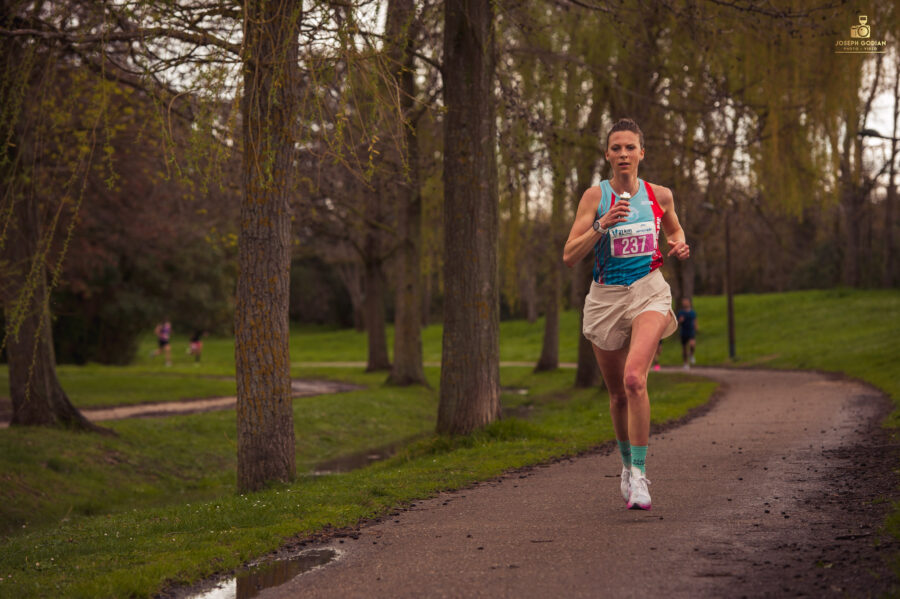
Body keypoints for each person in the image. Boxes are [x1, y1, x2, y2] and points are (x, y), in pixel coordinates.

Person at [563, 118, 691, 510]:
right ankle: (624, 467)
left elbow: (676, 231)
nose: (623, 154)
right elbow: (570, 255)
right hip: (606, 297)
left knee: (635, 379)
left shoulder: (659, 195)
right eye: (616, 148)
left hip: (649, 291)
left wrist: (680, 245)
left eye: (629, 147)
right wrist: (601, 225)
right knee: (617, 394)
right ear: (607, 154)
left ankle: (639, 475)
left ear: (641, 153)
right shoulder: (594, 197)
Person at [677, 298, 697, 369]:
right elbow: (677, 323)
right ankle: (685, 363)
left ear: (689, 303)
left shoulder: (692, 312)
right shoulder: (680, 312)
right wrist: (680, 320)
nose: (685, 303)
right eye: (683, 302)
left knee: (692, 345)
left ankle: (691, 355)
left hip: (691, 331)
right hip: (684, 332)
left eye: (686, 302)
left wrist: (696, 327)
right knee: (684, 348)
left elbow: (695, 320)